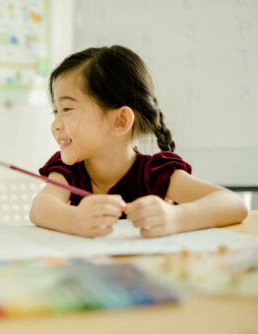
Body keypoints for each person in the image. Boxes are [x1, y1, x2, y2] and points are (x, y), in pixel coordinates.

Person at [30, 45, 248, 238]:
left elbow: (234, 204)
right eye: (55, 111)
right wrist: (74, 220)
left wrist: (175, 217)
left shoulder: (154, 172)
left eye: (67, 109)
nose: (55, 125)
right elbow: (40, 208)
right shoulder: (69, 170)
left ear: (120, 121)